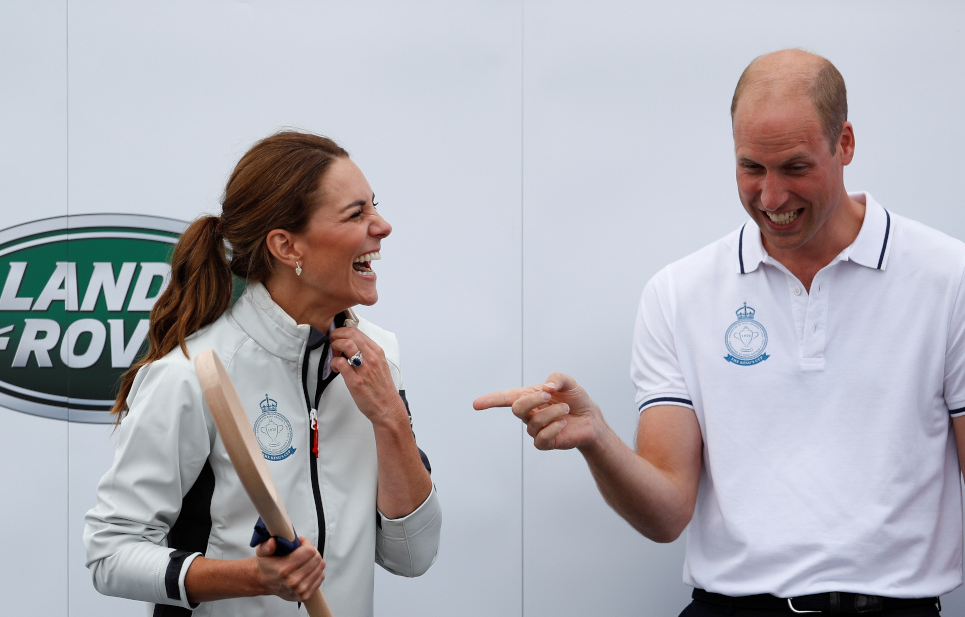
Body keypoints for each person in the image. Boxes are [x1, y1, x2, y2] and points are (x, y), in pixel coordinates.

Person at [474, 49, 965, 616]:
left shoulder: (947, 279)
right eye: (751, 167)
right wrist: (597, 439)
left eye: (796, 168)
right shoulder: (678, 293)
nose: (772, 198)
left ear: (845, 143)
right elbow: (666, 514)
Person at [85, 131, 441, 617]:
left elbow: (412, 555)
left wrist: (390, 419)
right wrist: (251, 578)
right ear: (286, 246)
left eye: (373, 206)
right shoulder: (192, 374)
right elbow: (110, 554)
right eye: (356, 214)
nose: (383, 226)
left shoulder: (378, 360)